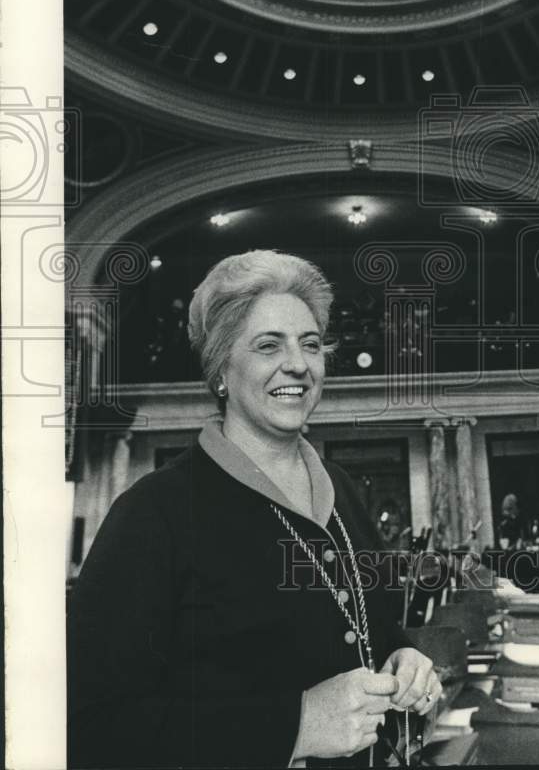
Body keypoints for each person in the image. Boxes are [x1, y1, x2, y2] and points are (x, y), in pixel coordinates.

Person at [67, 250, 441, 768]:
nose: (298, 364)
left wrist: (405, 659)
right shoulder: (153, 513)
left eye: (310, 344)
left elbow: (371, 630)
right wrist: (294, 724)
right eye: (269, 345)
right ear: (221, 368)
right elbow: (90, 726)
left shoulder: (342, 488)